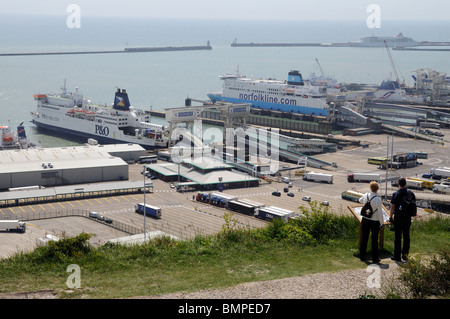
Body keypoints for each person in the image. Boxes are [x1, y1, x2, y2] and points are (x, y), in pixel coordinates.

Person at [390, 177, 416, 262]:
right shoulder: (411, 194)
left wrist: (391, 217)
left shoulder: (396, 193)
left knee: (397, 237)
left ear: (398, 184)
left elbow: (392, 207)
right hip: (407, 217)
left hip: (398, 217)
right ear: (405, 184)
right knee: (406, 236)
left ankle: (397, 256)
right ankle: (405, 255)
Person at [359, 181, 384, 263]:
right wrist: (382, 223)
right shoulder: (378, 199)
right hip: (374, 221)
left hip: (365, 219)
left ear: (370, 188)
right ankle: (375, 258)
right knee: (374, 239)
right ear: (377, 189)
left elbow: (360, 200)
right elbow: (380, 213)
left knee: (364, 238)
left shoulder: (366, 195)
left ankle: (362, 256)